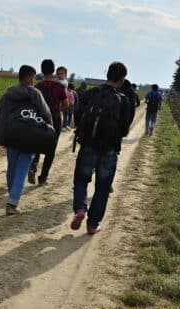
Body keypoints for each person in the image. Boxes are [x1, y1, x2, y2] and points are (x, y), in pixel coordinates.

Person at [71, 62, 132, 235]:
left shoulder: (91, 94)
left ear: (107, 75)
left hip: (88, 144)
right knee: (103, 187)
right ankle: (92, 224)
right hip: (110, 149)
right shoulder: (123, 100)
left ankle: (80, 209)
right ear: (122, 79)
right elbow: (125, 129)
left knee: (81, 180)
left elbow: (77, 114)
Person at [0, 65, 53, 215]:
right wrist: (49, 132)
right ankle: (12, 202)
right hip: (30, 136)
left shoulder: (9, 94)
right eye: (34, 77)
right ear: (28, 77)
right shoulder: (36, 94)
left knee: (12, 168)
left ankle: (12, 194)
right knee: (22, 170)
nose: (35, 80)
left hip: (10, 135)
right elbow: (46, 114)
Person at [28, 60, 69, 185]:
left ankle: (33, 167)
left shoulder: (38, 86)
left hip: (39, 119)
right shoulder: (60, 87)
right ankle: (43, 178)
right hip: (55, 120)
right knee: (50, 150)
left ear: (42, 70)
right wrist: (58, 110)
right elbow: (66, 104)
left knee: (36, 145)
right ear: (53, 70)